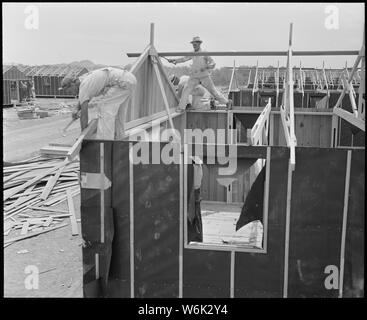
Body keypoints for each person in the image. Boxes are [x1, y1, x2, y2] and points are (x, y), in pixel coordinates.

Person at [59, 67, 137, 140]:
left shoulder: (83, 86)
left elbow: (84, 115)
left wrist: (83, 136)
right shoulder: (84, 79)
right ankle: (119, 138)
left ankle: (105, 142)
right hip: (129, 79)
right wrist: (76, 108)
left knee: (104, 108)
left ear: (73, 84)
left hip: (120, 83)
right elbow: (83, 98)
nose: (71, 94)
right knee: (119, 114)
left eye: (69, 91)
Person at [168, 36, 232, 111]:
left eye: (195, 44)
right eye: (193, 44)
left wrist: (206, 67)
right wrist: (175, 61)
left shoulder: (204, 52)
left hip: (204, 76)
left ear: (199, 44)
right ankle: (181, 108)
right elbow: (184, 58)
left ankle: (227, 102)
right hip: (194, 77)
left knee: (213, 91)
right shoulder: (191, 53)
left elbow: (213, 64)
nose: (194, 45)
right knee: (186, 90)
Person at [187, 156, 204, 242]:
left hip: (193, 191)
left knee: (194, 215)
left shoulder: (195, 165)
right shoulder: (197, 165)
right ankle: (196, 237)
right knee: (195, 214)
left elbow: (196, 183)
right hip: (194, 190)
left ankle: (195, 237)